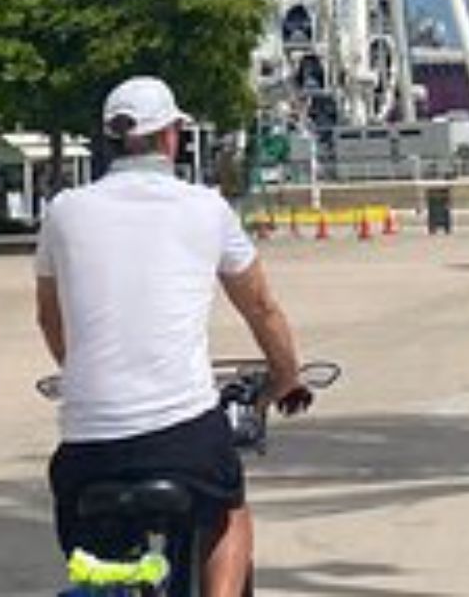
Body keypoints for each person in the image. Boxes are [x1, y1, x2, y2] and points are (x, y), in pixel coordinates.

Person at [35, 76, 310, 597]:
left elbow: (50, 319)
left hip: (87, 449)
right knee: (230, 513)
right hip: (180, 435)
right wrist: (286, 376)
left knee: (96, 554)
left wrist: (84, 372)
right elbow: (262, 307)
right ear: (171, 136)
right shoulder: (206, 207)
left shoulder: (64, 211)